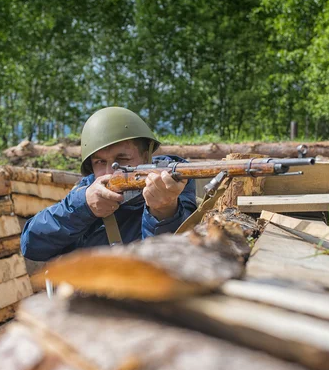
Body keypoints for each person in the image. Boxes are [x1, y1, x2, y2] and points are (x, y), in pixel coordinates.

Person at [20, 107, 197, 261]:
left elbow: (174, 261)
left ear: (146, 157)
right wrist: (83, 207)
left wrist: (164, 213)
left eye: (122, 159)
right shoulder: (86, 192)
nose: (110, 172)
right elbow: (31, 245)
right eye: (99, 162)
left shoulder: (173, 183)